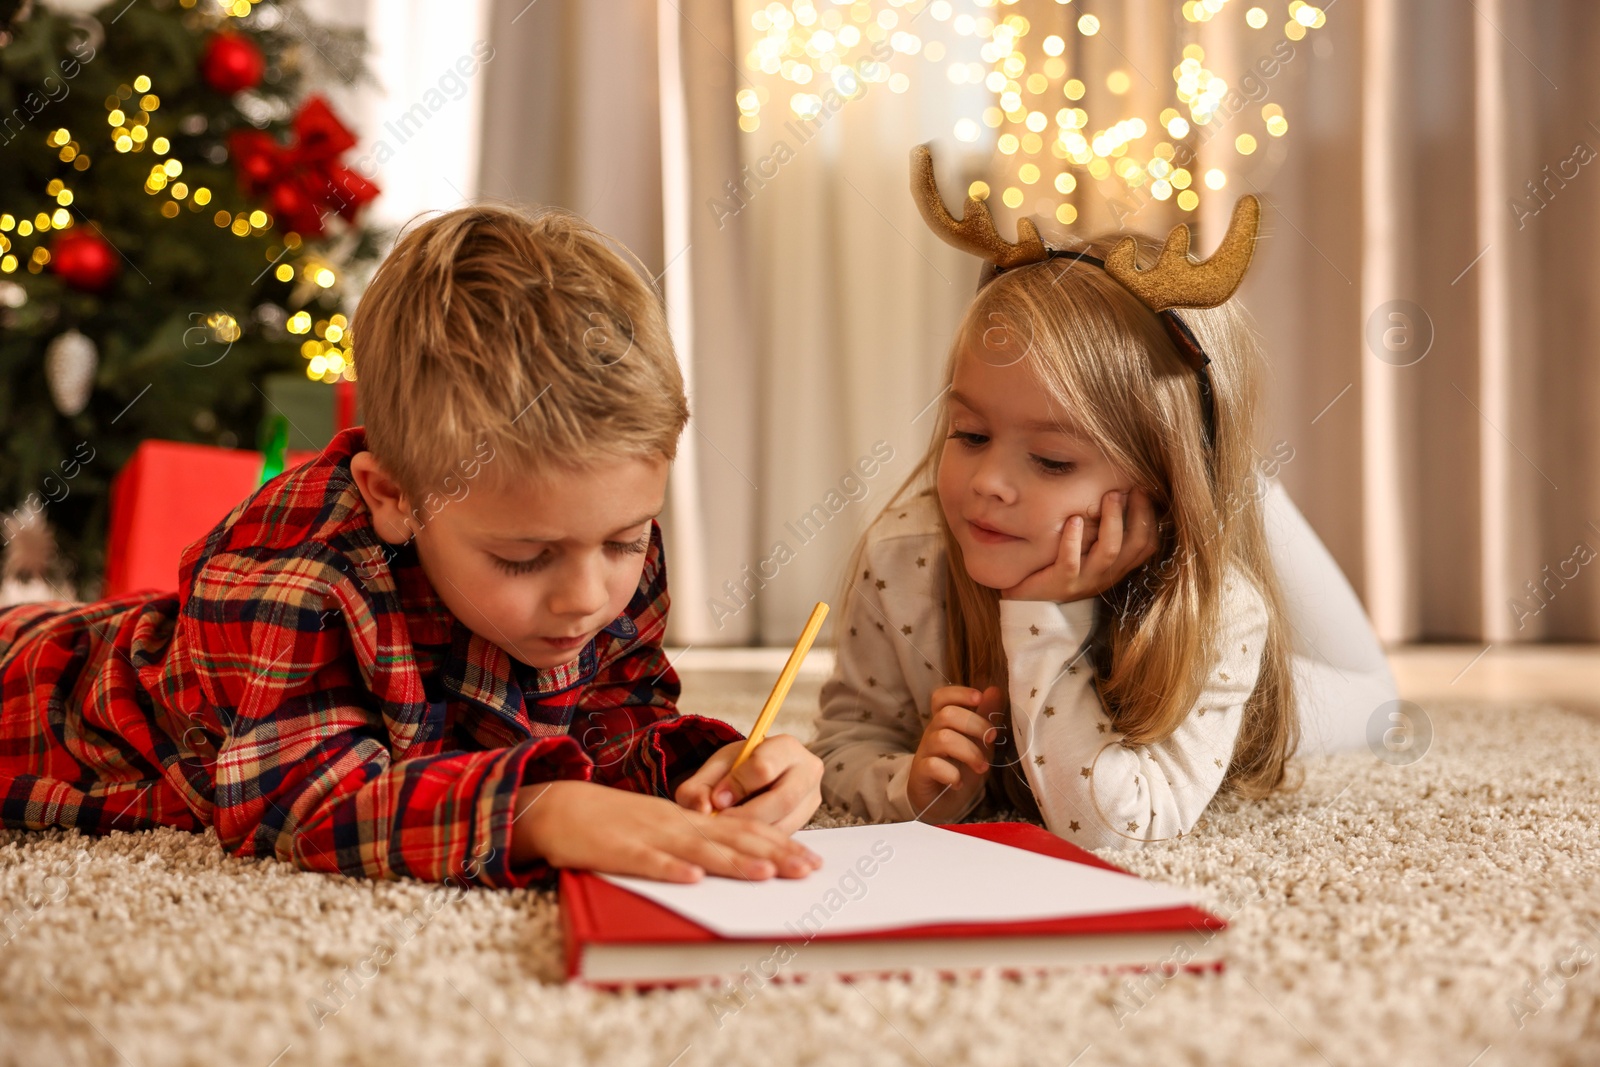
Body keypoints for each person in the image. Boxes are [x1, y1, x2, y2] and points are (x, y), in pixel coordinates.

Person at [0, 205, 824, 886]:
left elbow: (615, 719)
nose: (586, 595)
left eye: (624, 539)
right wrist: (540, 811)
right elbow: (301, 803)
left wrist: (716, 768)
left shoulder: (599, 544)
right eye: (523, 557)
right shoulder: (293, 576)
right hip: (34, 698)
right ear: (393, 495)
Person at [809, 147, 1396, 848]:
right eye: (968, 433)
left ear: (1155, 488)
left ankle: (1238, 483)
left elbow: (1116, 822)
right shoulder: (904, 557)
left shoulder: (1223, 612)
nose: (988, 482)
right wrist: (908, 781)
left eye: (1052, 459)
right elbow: (842, 743)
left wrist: (1038, 616)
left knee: (1378, 706)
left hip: (1273, 650)